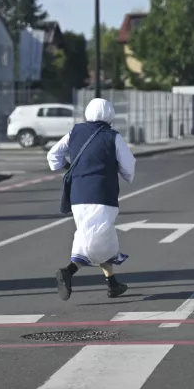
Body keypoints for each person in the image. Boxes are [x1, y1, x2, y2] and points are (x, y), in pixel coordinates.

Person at [47, 98, 136, 301]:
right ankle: (68, 271)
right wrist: (122, 173)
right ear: (110, 115)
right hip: (102, 194)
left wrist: (69, 168)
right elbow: (129, 164)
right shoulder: (112, 136)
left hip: (78, 195)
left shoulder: (75, 132)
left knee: (98, 235)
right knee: (98, 238)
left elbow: (53, 155)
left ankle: (112, 283)